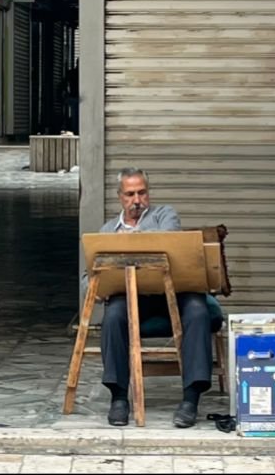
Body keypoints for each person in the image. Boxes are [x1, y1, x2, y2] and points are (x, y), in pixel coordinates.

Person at [93, 167, 213, 428]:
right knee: (113, 315)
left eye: (142, 193)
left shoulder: (164, 214)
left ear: (149, 193)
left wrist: (129, 242)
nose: (137, 200)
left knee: (198, 310)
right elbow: (87, 278)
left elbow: (167, 240)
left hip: (175, 290)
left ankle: (191, 399)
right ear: (119, 197)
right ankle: (119, 398)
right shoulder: (107, 230)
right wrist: (99, 289)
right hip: (135, 296)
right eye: (130, 194)